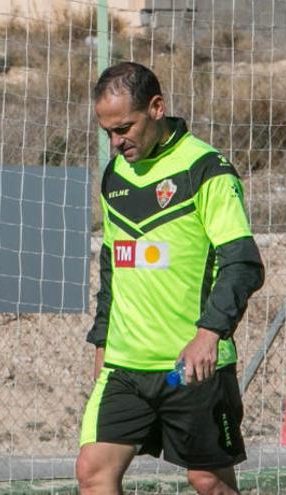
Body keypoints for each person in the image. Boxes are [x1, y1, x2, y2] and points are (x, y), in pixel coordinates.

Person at [75, 62, 264, 495]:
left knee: (207, 481)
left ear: (156, 108)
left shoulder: (206, 169)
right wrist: (103, 341)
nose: (116, 142)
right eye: (107, 132)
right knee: (93, 472)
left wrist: (209, 334)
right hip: (125, 367)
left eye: (124, 128)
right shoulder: (114, 175)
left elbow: (243, 263)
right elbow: (112, 264)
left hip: (189, 366)